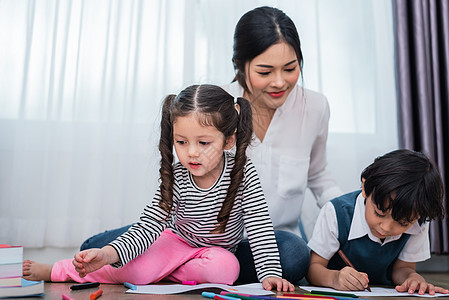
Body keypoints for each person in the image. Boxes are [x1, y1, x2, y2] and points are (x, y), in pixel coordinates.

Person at [80, 6, 342, 284]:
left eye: (290, 68)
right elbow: (167, 199)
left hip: (252, 243)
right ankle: (183, 266)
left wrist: (348, 213)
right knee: (93, 252)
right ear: (239, 65)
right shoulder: (215, 107)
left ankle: (179, 269)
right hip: (187, 233)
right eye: (265, 71)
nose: (279, 82)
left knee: (294, 255)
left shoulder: (315, 107)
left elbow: (317, 175)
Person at [22, 84, 294, 291]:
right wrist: (106, 254)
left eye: (203, 143)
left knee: (225, 271)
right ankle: (58, 270)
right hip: (175, 241)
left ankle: (159, 270)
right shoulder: (178, 176)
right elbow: (150, 225)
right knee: (137, 271)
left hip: (215, 253)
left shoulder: (243, 173)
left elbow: (259, 226)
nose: (191, 154)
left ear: (228, 141)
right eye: (182, 142)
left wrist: (270, 273)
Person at [306, 149, 448, 295]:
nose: (386, 227)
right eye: (379, 213)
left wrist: (411, 278)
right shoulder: (336, 213)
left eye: (403, 223)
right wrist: (334, 278)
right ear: (365, 188)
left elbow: (402, 269)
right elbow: (313, 268)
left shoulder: (418, 222)